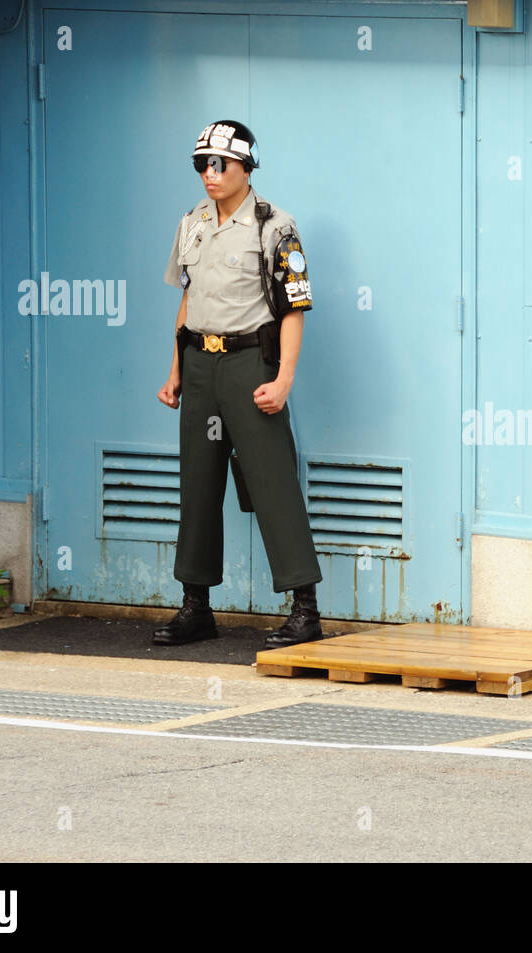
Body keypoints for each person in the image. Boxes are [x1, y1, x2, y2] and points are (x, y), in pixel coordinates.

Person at [153, 119, 327, 649]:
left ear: (246, 166)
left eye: (220, 163)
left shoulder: (274, 225)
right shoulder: (191, 223)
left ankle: (305, 610)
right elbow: (186, 299)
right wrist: (176, 368)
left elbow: (293, 308)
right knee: (198, 485)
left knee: (272, 481)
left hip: (252, 365)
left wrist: (284, 379)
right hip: (200, 365)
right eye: (202, 163)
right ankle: (196, 606)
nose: (209, 173)